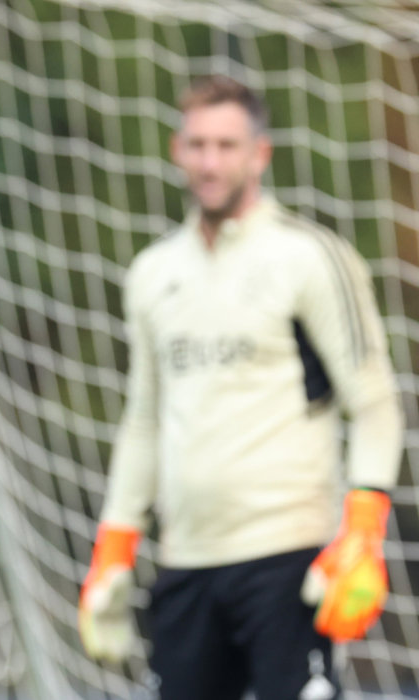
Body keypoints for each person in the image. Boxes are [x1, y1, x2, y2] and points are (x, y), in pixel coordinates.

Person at [77, 74, 405, 700]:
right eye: (197, 144)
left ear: (260, 154)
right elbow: (144, 421)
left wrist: (363, 534)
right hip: (186, 563)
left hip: (288, 559)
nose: (210, 162)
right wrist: (113, 548)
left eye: (227, 145)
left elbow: (374, 404)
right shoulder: (152, 273)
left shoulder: (309, 257)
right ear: (177, 151)